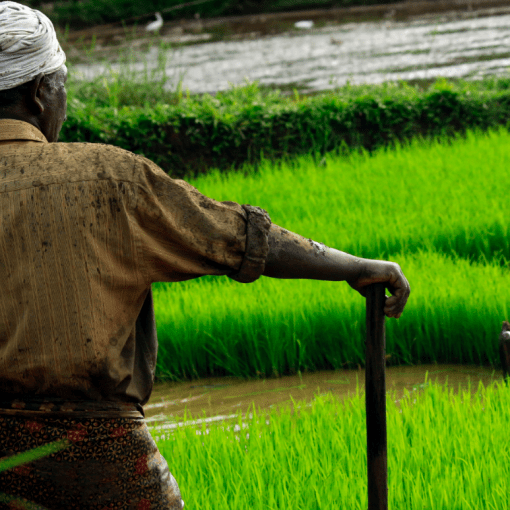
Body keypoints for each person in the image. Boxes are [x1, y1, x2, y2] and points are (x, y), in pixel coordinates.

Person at [0, 2, 410, 509]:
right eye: (62, 84)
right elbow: (237, 236)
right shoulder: (106, 178)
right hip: (97, 454)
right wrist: (357, 267)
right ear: (40, 93)